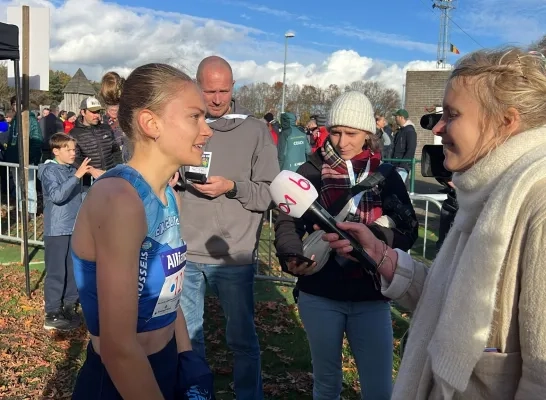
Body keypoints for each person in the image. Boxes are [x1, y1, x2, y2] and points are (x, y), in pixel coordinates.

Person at [321, 47, 546, 399]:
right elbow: (451, 301)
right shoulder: (487, 192)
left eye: (452, 115)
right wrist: (384, 257)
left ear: (506, 121)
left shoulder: (539, 203)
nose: (438, 128)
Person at [71, 63, 213, 399]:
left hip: (165, 366)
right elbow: (119, 349)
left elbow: (169, 294)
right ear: (151, 123)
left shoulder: (167, 196)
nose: (207, 130)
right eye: (195, 117)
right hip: (120, 380)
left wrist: (186, 359)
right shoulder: (120, 199)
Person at [275, 91, 418, 400]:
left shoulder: (387, 175)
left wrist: (375, 239)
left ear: (368, 132)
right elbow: (287, 221)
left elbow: (408, 228)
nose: (341, 141)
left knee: (379, 389)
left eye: (350, 133)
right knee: (326, 385)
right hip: (320, 292)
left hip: (371, 295)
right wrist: (291, 254)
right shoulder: (311, 170)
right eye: (335, 132)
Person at [179, 55, 279, 400]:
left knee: (242, 340)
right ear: (197, 86)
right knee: (189, 339)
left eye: (224, 90)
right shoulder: (184, 124)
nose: (217, 99)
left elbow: (269, 192)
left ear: (233, 88)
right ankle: (196, 395)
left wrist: (232, 187)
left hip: (232, 255)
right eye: (210, 91)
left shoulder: (255, 131)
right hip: (187, 250)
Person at [37, 133, 92, 331]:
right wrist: (77, 176)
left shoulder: (72, 169)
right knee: (57, 271)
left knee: (72, 268)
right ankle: (52, 311)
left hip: (74, 226)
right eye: (68, 149)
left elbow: (78, 195)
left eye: (73, 149)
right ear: (56, 151)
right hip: (57, 228)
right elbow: (57, 196)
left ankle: (69, 305)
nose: (73, 152)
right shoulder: (49, 170)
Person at [69, 96, 122, 193]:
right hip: (89, 183)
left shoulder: (106, 128)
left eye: (98, 112)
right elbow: (75, 159)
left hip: (111, 178)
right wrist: (92, 170)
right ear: (83, 112)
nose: (96, 115)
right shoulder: (74, 133)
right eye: (93, 112)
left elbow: (116, 151)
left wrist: (118, 169)